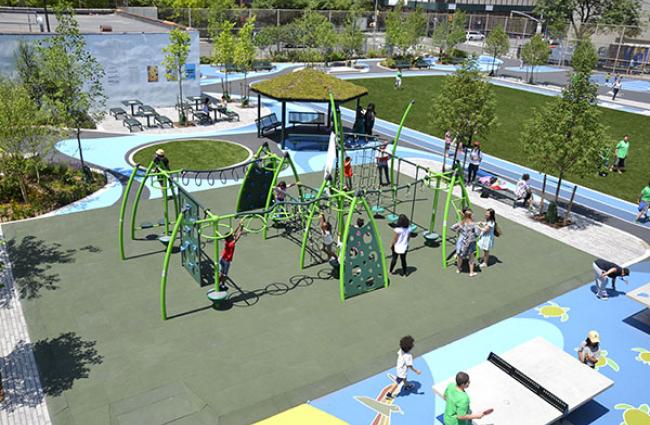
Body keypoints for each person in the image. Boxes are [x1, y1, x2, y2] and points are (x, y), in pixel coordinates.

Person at [386, 335, 421, 400]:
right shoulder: (408, 356)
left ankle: (406, 385)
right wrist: (416, 371)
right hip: (401, 371)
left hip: (399, 367)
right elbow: (409, 365)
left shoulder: (401, 350)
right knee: (397, 383)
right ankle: (389, 394)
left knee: (404, 377)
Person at [451, 210, 479, 277]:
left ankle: (458, 269)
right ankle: (471, 272)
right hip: (470, 242)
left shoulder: (461, 223)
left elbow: (452, 227)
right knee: (471, 257)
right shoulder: (473, 224)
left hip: (462, 241)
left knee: (460, 256)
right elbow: (477, 233)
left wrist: (458, 231)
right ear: (471, 216)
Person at [218, 222, 244, 291]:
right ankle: (222, 286)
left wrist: (238, 226)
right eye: (232, 237)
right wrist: (241, 228)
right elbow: (238, 236)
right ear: (230, 239)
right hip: (226, 261)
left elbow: (233, 233)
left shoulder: (227, 241)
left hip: (222, 258)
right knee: (224, 274)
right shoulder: (231, 244)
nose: (233, 236)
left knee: (221, 273)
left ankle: (218, 283)